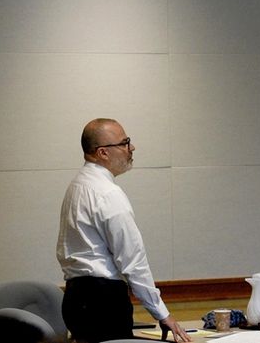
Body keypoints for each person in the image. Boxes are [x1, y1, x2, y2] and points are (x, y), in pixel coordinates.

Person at [57, 118, 192, 343]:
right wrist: (162, 313)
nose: (132, 148)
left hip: (75, 298)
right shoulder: (108, 194)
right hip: (103, 303)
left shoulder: (76, 186)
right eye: (125, 143)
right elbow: (133, 261)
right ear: (103, 153)